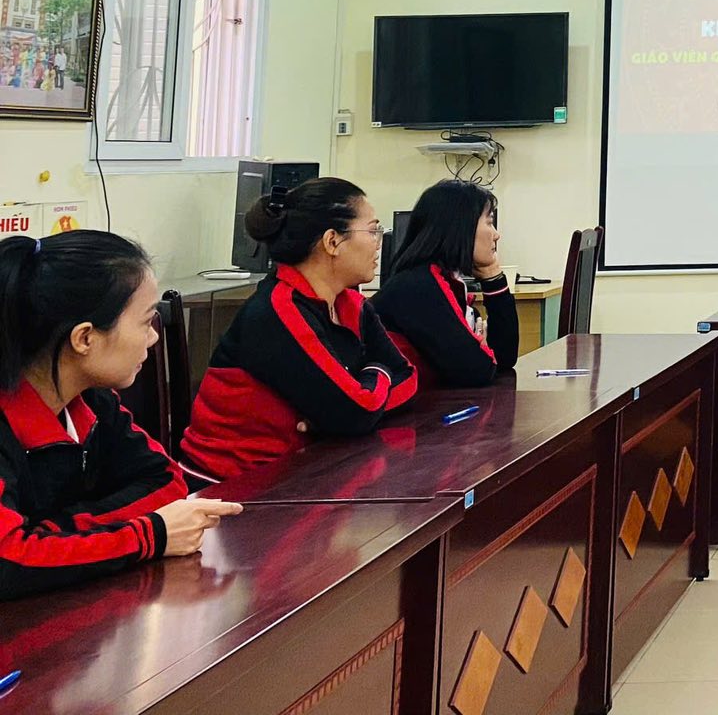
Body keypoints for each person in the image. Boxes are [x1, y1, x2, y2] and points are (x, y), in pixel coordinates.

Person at [0, 232, 240, 598]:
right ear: (84, 338)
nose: (153, 338)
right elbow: (8, 561)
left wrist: (52, 535)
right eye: (145, 322)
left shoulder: (92, 401)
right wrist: (148, 535)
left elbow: (166, 481)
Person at [181, 177, 418, 481]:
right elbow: (356, 413)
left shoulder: (351, 304)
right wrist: (375, 375)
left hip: (305, 466)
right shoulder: (277, 311)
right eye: (372, 231)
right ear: (332, 241)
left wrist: (338, 415)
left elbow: (407, 378)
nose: (378, 243)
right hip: (231, 484)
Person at [372, 179, 519, 387]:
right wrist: (480, 352)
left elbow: (504, 358)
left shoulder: (444, 280)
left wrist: (492, 275)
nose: (496, 235)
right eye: (489, 222)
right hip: (412, 406)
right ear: (461, 226)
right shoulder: (418, 287)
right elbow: (476, 371)